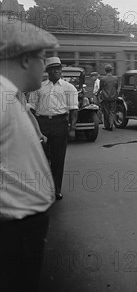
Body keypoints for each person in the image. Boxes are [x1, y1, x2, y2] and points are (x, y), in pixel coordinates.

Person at [0, 17, 59, 292]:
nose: (45, 65)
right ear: (25, 59)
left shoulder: (13, 97)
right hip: (13, 230)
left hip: (22, 227)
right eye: (41, 58)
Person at [29, 57, 78, 200]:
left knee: (58, 158)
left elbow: (74, 110)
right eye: (54, 68)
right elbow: (31, 108)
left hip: (60, 124)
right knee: (40, 158)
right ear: (48, 71)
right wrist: (35, 128)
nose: (57, 71)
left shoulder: (69, 88)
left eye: (59, 68)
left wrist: (72, 129)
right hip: (42, 124)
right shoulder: (39, 87)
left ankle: (56, 189)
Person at [99, 64, 120, 131]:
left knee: (106, 111)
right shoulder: (115, 78)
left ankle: (107, 126)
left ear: (105, 70)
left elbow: (101, 88)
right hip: (113, 97)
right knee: (112, 111)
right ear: (111, 70)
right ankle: (111, 124)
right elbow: (117, 88)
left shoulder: (102, 79)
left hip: (105, 97)